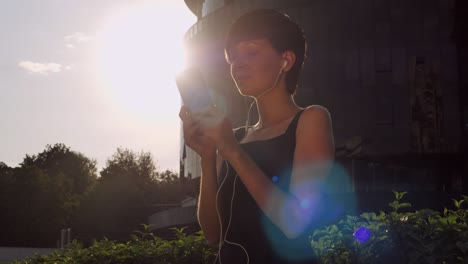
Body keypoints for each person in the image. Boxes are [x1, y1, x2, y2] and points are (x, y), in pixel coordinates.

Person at [179, 9, 335, 264]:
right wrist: (208, 157)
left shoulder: (310, 119)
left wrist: (234, 153)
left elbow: (296, 224)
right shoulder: (234, 137)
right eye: (232, 58)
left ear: (286, 60)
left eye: (251, 52)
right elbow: (212, 233)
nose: (237, 65)